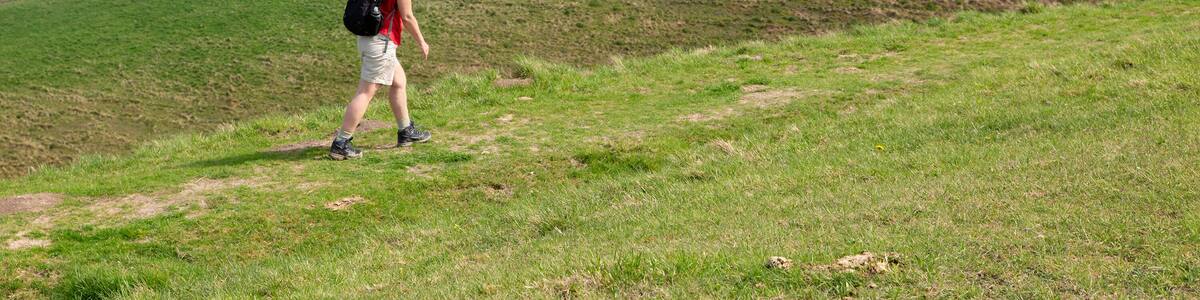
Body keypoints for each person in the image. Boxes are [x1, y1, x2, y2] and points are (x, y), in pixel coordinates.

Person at [330, 0, 431, 160]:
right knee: (365, 92)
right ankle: (341, 143)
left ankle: (405, 131)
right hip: (381, 42)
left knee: (398, 82)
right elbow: (407, 16)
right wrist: (422, 42)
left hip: (368, 39)